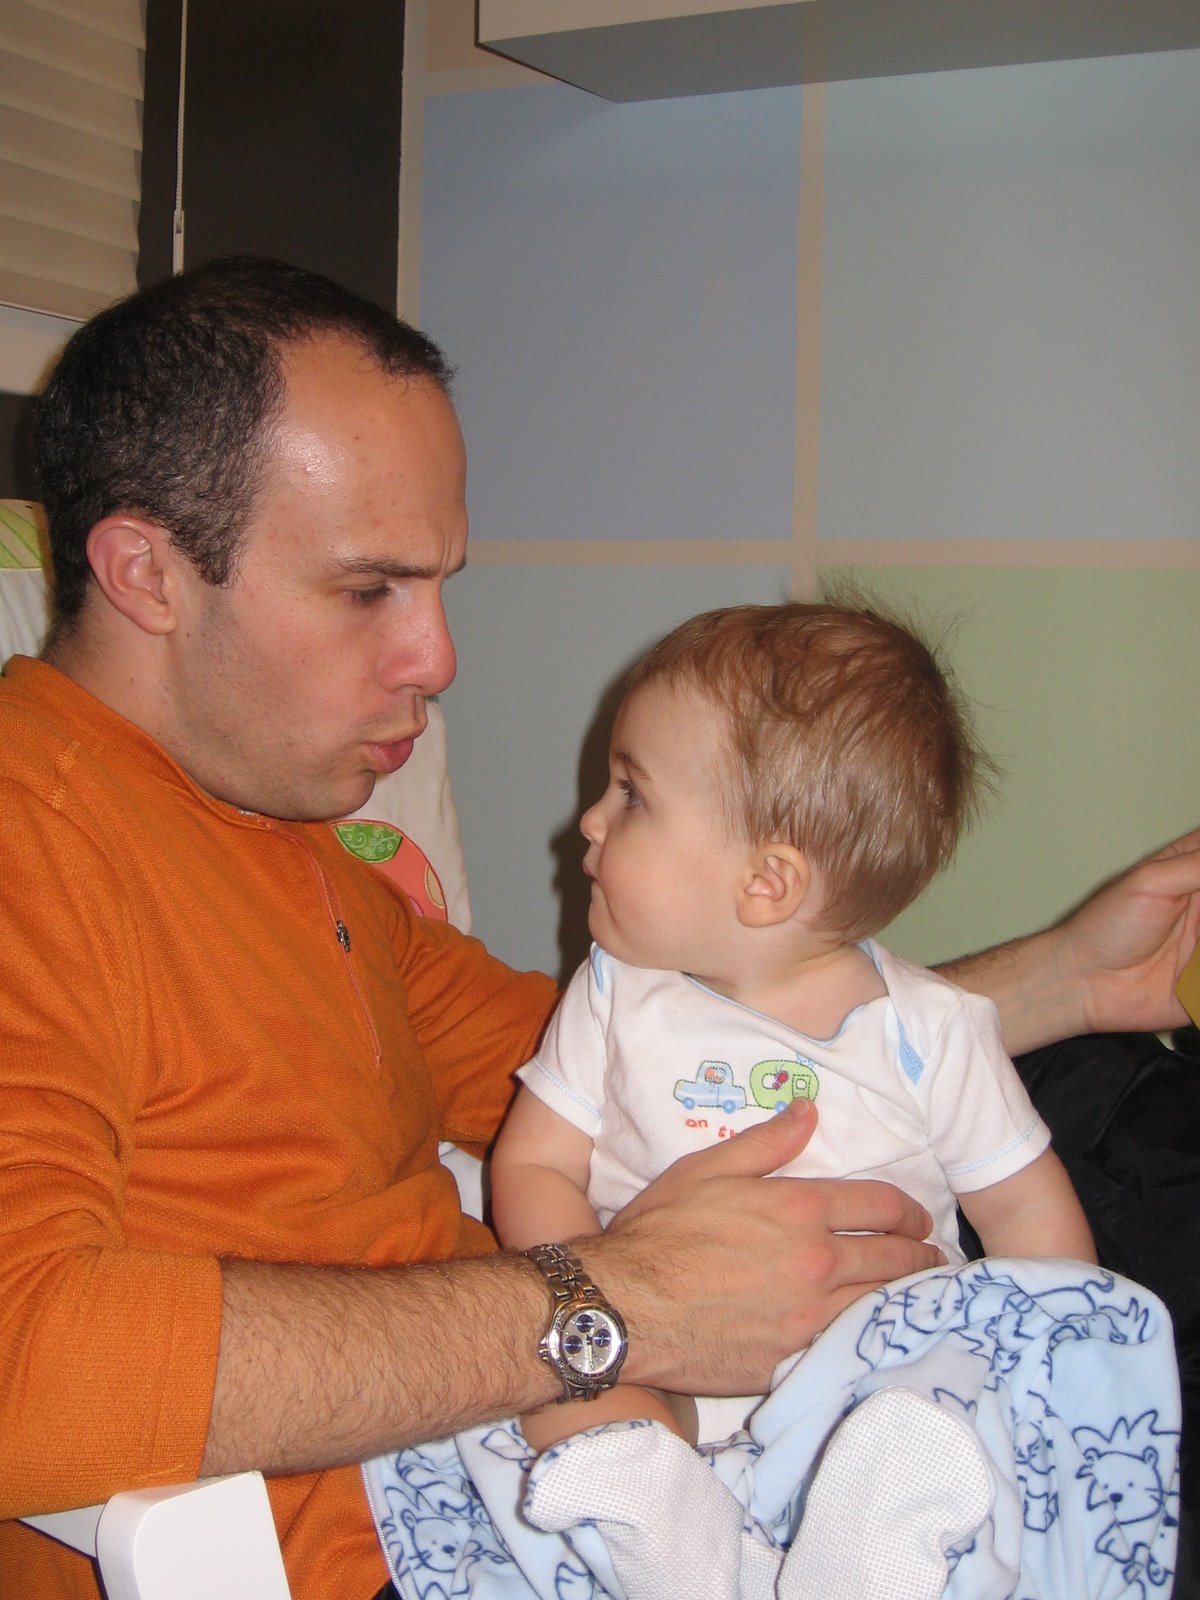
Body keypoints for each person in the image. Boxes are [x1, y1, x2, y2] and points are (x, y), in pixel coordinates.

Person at [0, 256, 1195, 1600]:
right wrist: (611, 1303)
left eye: (439, 585)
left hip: (564, 1478)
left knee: (1113, 1140)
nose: (438, 659)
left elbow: (675, 1052)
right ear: (147, 574)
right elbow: (20, 1367)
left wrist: (1059, 983)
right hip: (395, 1552)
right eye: (368, 589)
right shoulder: (34, 832)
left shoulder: (293, 850)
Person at [493, 600, 1097, 1458]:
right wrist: (610, 1290)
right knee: (558, 1400)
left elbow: (1027, 1211)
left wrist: (1057, 1367)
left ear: (766, 884)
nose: (590, 819)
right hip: (667, 1359)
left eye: (631, 794)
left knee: (937, 1420)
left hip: (878, 1377)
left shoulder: (934, 1029)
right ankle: (659, 1516)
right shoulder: (615, 993)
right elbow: (534, 1164)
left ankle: (882, 1514)